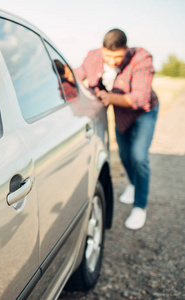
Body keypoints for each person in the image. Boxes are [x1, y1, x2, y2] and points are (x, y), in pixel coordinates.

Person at [75, 28, 159, 230]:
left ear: (126, 50)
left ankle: (140, 206)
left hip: (144, 113)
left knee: (139, 156)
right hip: (121, 114)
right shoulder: (93, 56)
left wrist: (110, 98)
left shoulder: (141, 57)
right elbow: (77, 75)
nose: (112, 61)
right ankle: (132, 183)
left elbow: (141, 97)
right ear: (102, 50)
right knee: (124, 154)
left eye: (118, 57)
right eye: (108, 56)